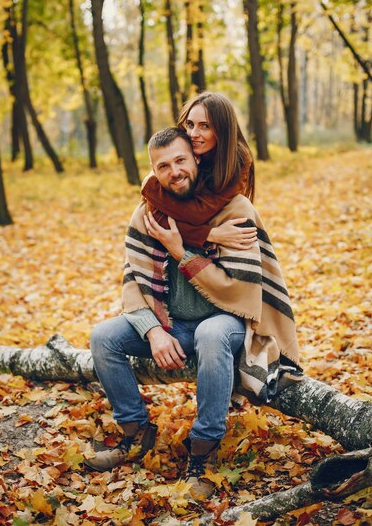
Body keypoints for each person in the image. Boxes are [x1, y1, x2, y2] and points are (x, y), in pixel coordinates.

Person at [86, 128, 301, 500]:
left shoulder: (235, 210)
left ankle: (203, 451)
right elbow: (134, 279)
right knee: (103, 337)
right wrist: (153, 331)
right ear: (154, 171)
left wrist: (180, 250)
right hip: (173, 323)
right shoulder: (150, 213)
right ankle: (135, 432)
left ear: (196, 160)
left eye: (180, 160)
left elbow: (239, 290)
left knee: (211, 335)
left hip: (227, 320)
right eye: (163, 166)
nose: (174, 171)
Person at [141, 91, 257, 250]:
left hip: (222, 247)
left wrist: (151, 188)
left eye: (205, 126)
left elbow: (197, 213)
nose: (193, 134)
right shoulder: (182, 153)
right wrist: (209, 234)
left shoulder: (237, 162)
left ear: (222, 130)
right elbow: (157, 219)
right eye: (190, 124)